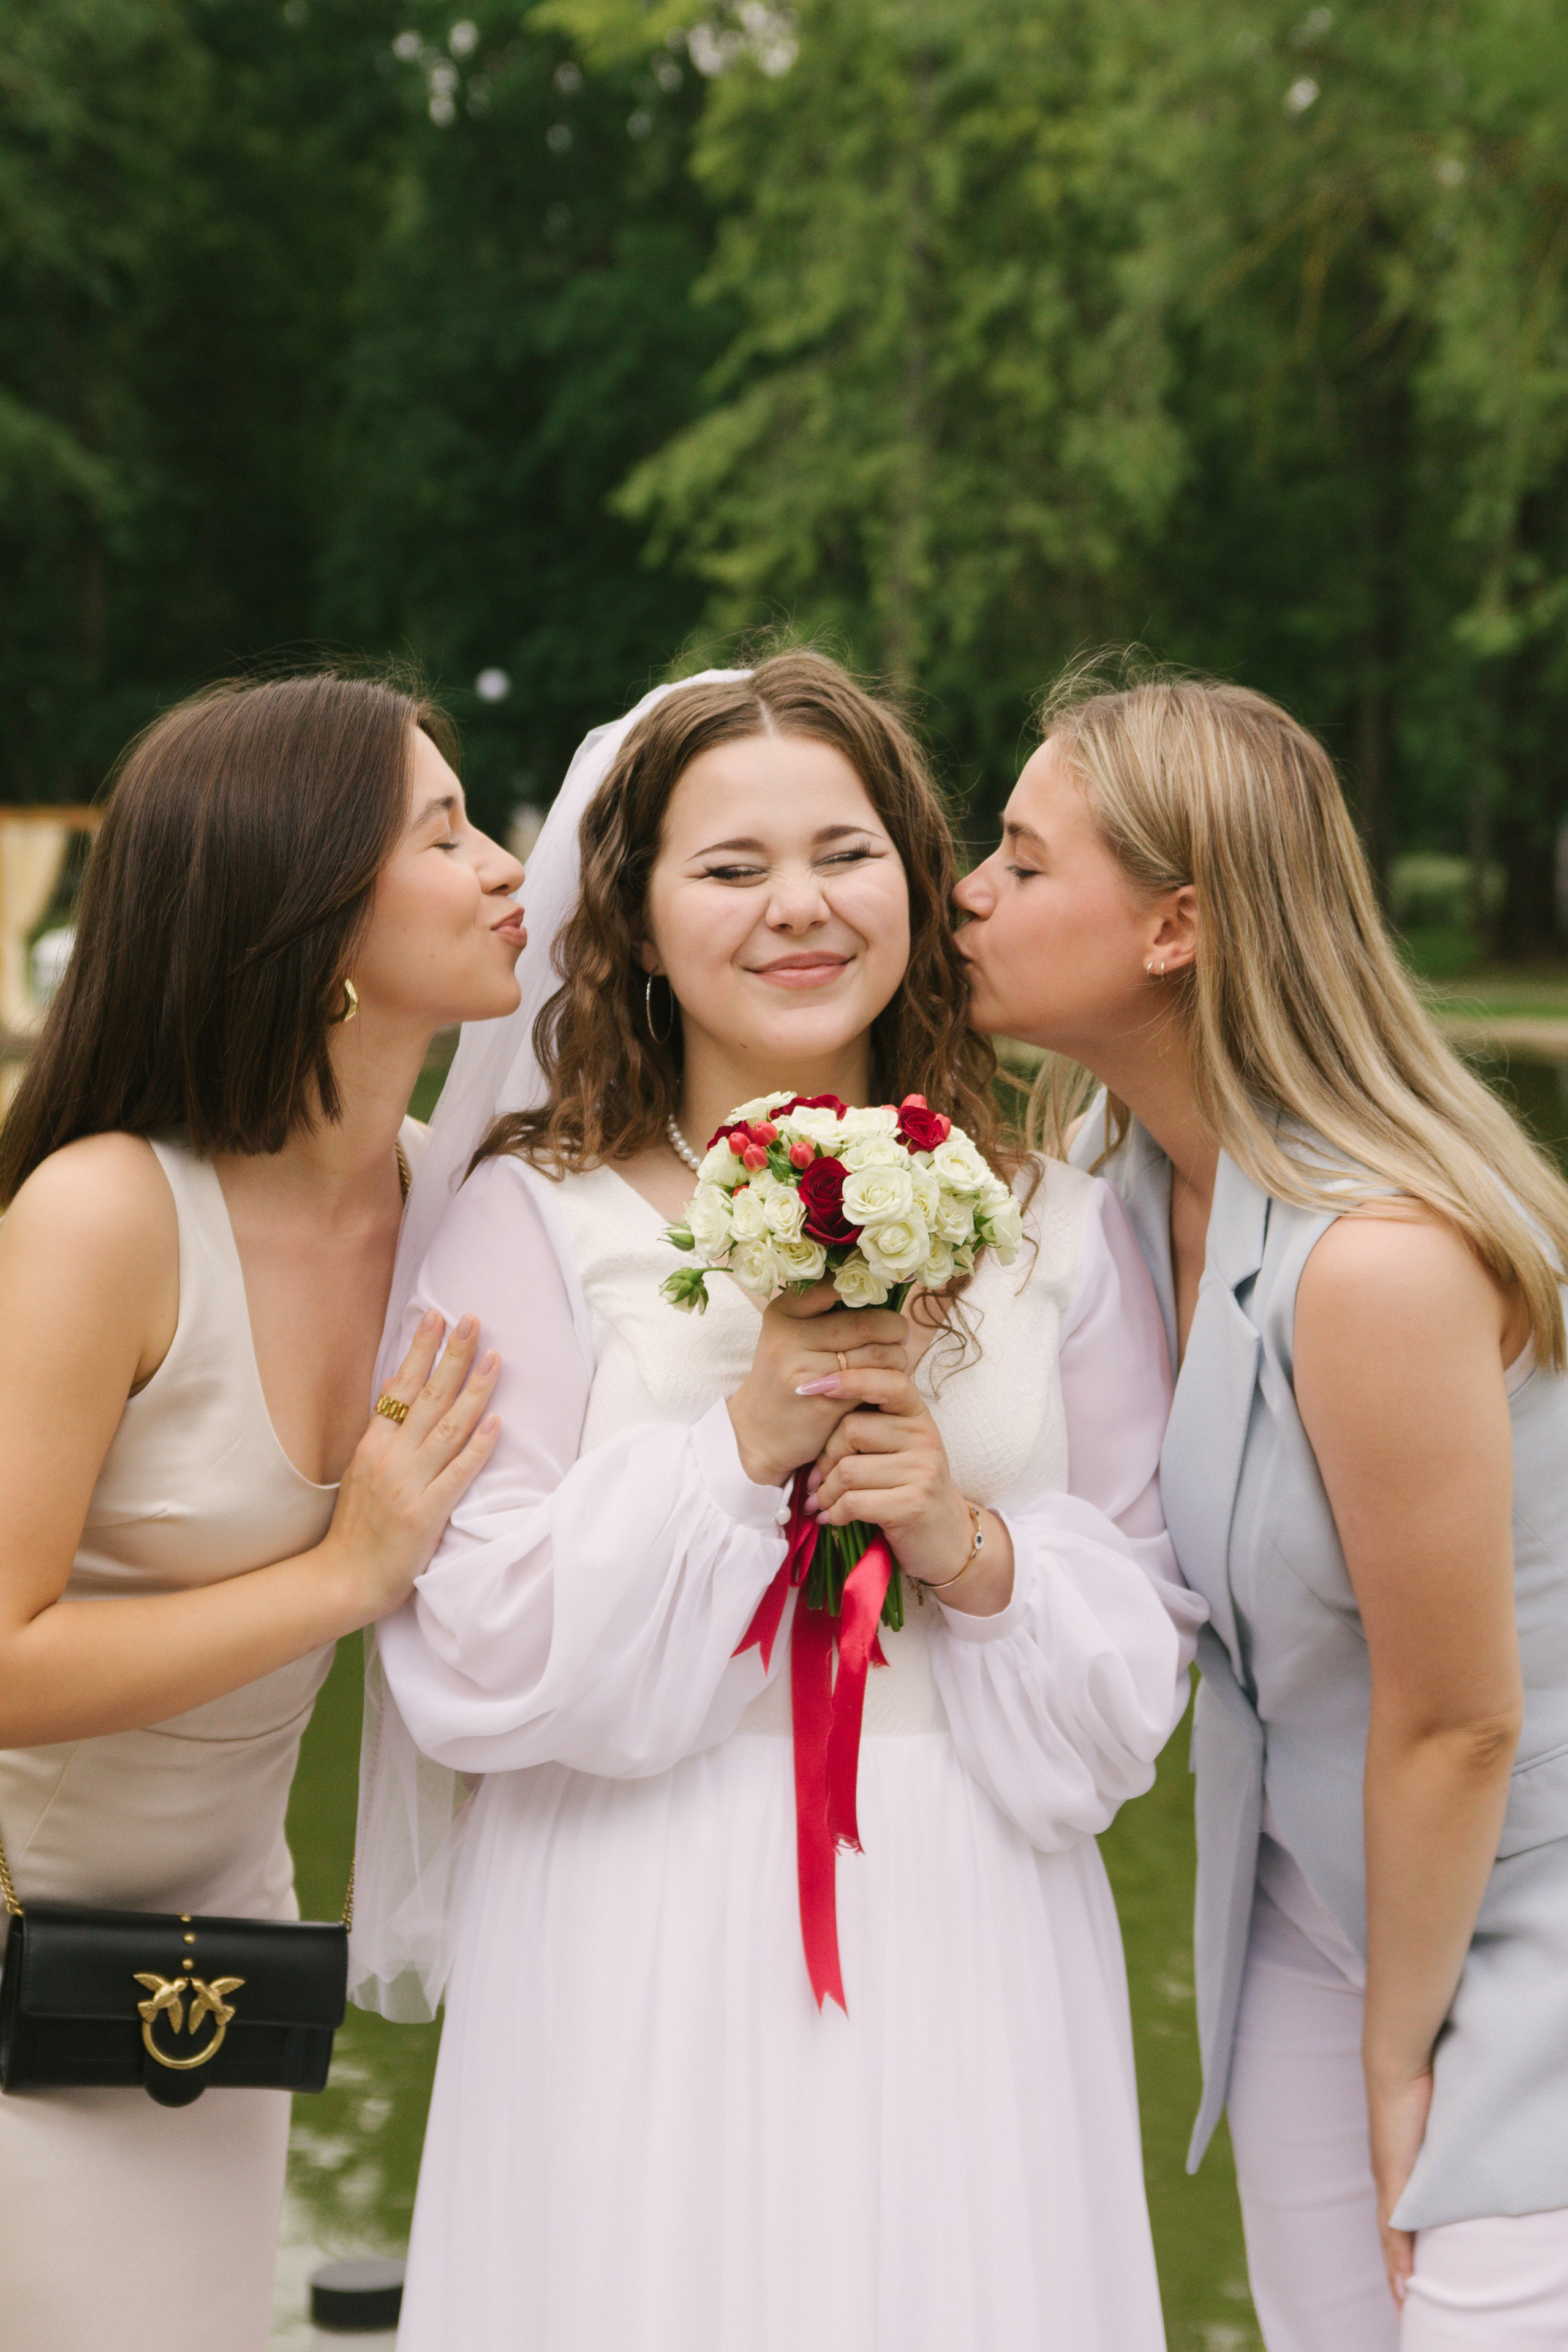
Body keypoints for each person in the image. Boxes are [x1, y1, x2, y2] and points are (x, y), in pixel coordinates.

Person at [350, 652, 1204, 2352]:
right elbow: (465, 1645)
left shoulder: (1058, 1222)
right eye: (731, 870)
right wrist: (740, 1448)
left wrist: (970, 1548)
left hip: (973, 1909)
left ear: (914, 875)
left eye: (846, 852)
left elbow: (1144, 1656)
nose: (796, 908)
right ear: (639, 921)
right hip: (627, 1910)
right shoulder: (531, 1223)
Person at [954, 663, 1568, 2350]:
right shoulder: (1122, 1186)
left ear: (1175, 928)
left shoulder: (1373, 1264)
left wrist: (1399, 2060)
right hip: (1300, 1910)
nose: (967, 892)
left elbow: (1456, 1717)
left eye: (1019, 857)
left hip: (1511, 1931)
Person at [0, 673, 521, 2352]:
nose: (508, 865)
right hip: (19, 1936)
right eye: (446, 832)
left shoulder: (462, 1206)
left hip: (208, 1970)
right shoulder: (105, 1217)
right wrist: (346, 1573)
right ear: (315, 915)